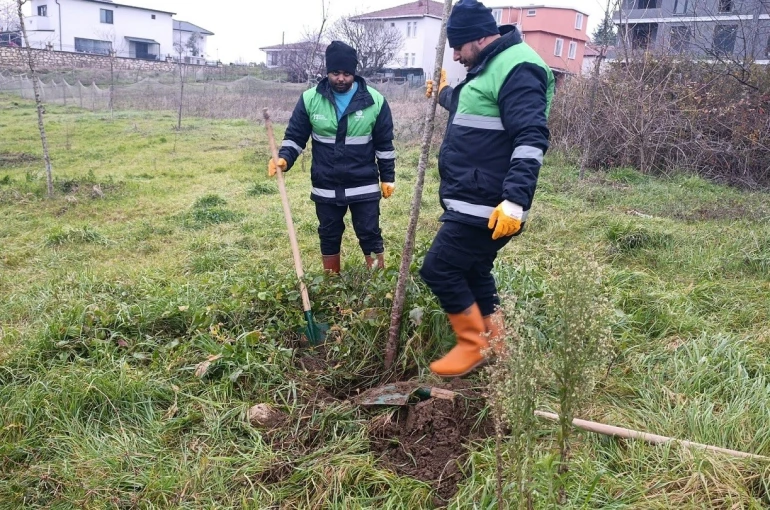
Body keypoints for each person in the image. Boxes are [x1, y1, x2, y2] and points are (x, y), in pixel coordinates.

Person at [421, 0, 555, 377]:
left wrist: (514, 200)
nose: (455, 55)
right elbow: (473, 106)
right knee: (475, 270)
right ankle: (498, 344)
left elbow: (531, 137)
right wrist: (443, 93)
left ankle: (473, 345)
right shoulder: (490, 65)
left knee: (439, 268)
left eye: (458, 47)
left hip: (489, 203)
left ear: (479, 38)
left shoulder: (519, 67)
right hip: (473, 197)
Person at [269, 40, 396, 273]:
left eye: (347, 74)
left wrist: (388, 178)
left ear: (354, 73)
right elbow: (295, 136)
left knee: (369, 233)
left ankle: (378, 281)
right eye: (335, 73)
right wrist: (284, 158)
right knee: (328, 234)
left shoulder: (375, 101)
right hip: (326, 182)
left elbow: (384, 144)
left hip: (363, 183)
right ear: (327, 71)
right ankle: (331, 282)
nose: (341, 79)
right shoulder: (310, 99)